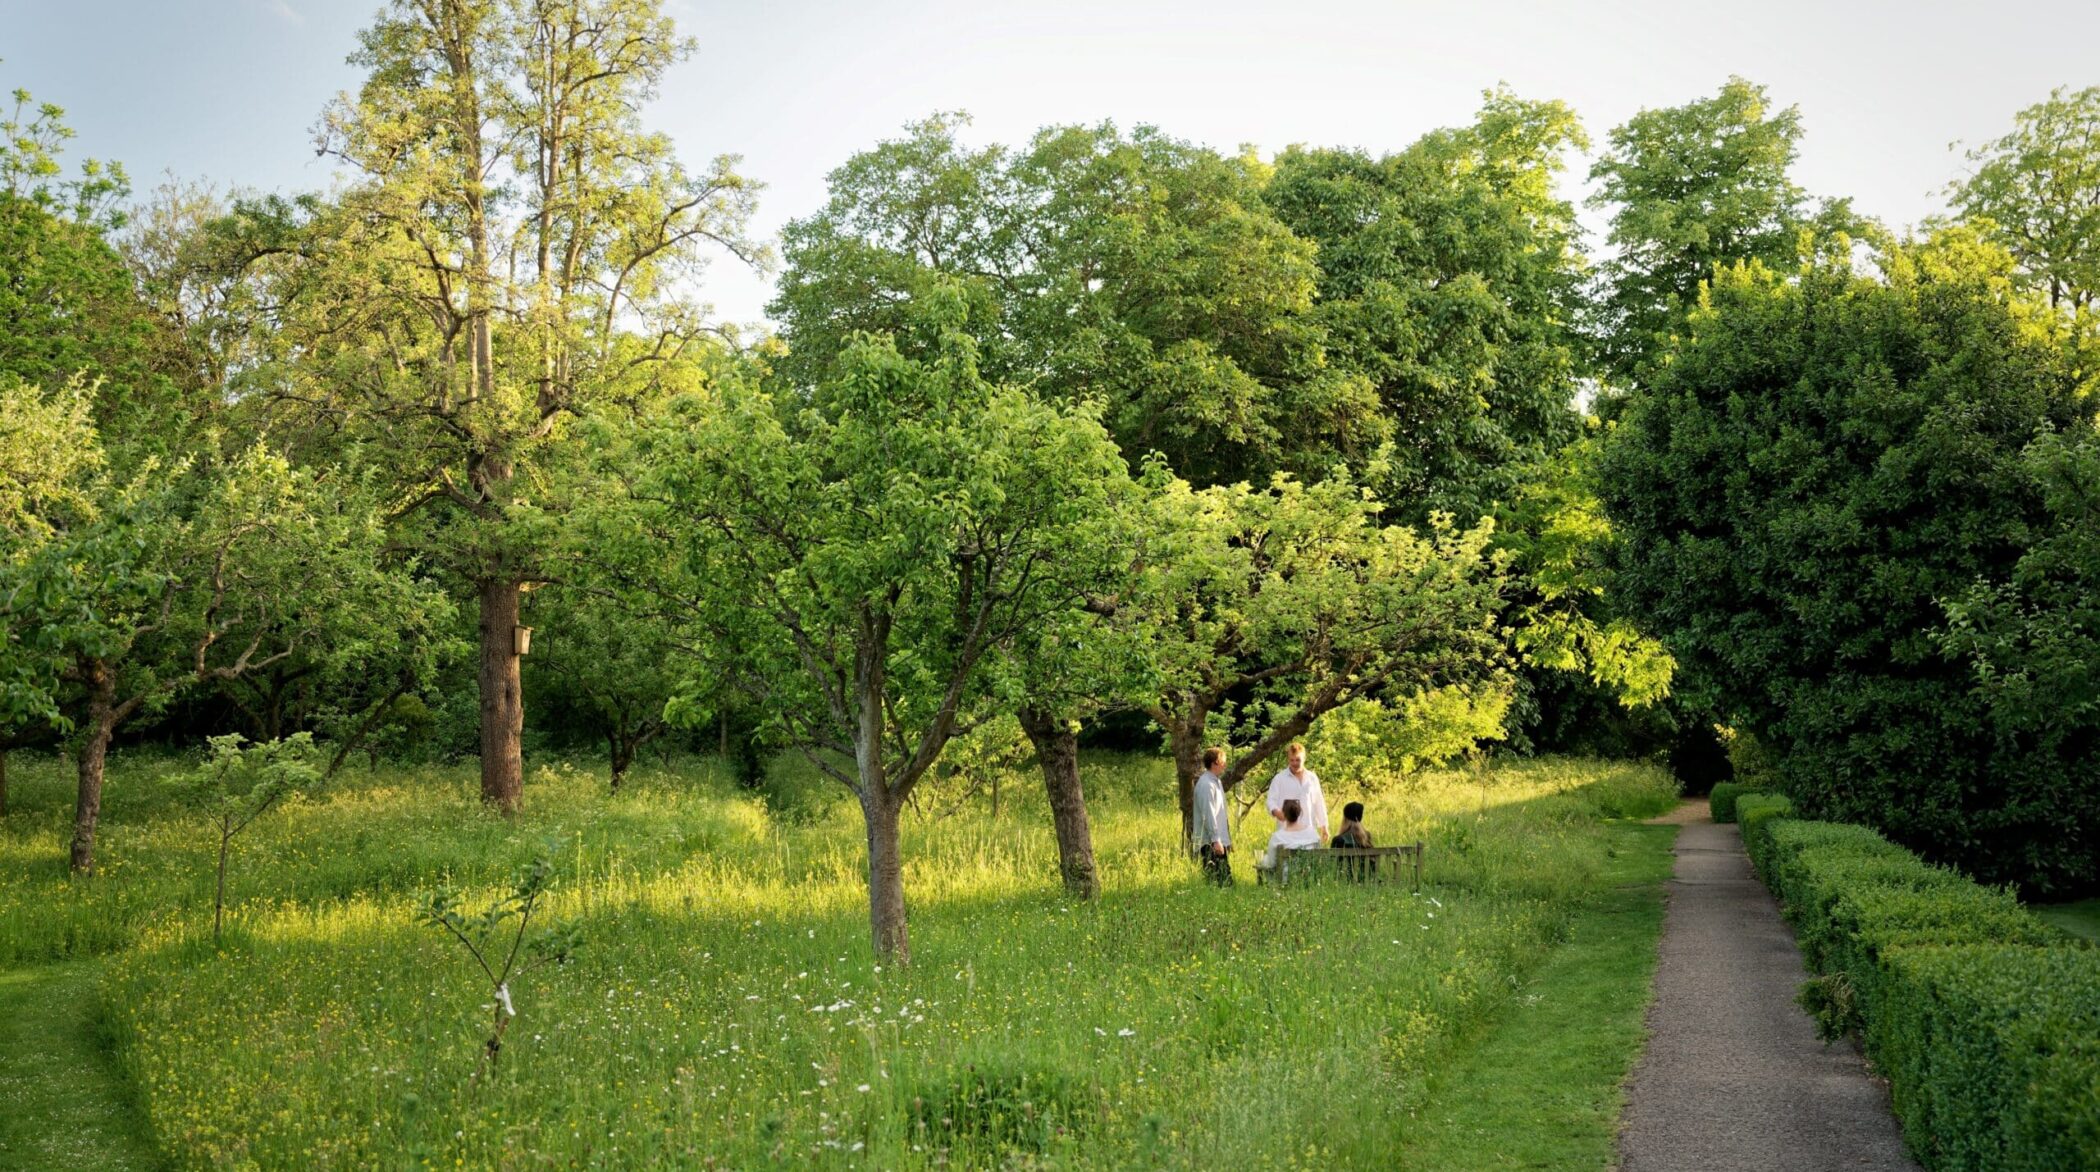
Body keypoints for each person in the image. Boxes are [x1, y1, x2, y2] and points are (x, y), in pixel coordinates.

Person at [1264, 743, 1330, 842]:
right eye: (1292, 760)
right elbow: (1270, 801)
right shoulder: (1279, 779)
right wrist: (1277, 812)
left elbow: (1319, 803)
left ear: (1304, 758)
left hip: (1309, 832)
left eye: (1298, 760)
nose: (1295, 763)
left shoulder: (1312, 778)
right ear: (1288, 759)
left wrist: (1324, 826)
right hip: (1286, 834)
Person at [1190, 746, 1233, 885]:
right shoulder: (1206, 784)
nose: (1225, 765)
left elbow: (1220, 814)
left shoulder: (1216, 782)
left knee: (1224, 881)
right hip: (1210, 842)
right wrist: (1216, 840)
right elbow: (1208, 814)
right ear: (1215, 763)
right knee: (1220, 882)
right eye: (1223, 761)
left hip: (1218, 841)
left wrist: (1226, 840)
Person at [1258, 798, 1324, 871]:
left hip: (1285, 879)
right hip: (1309, 877)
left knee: (1265, 860)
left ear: (1283, 813)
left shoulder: (1277, 837)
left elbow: (1271, 863)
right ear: (1299, 813)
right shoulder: (1313, 834)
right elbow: (1318, 858)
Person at [1331, 800, 1376, 879]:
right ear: (1360, 818)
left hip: (1344, 882)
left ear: (1344, 818)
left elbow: (1332, 863)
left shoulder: (1338, 840)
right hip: (1367, 880)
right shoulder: (1367, 837)